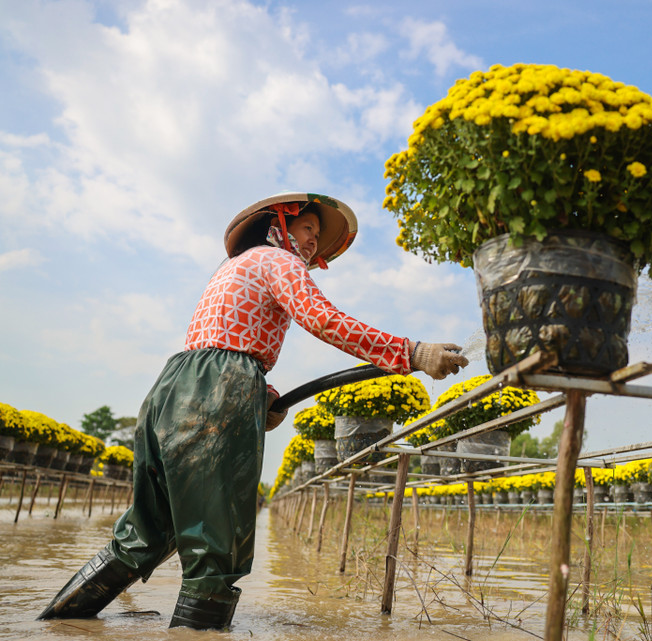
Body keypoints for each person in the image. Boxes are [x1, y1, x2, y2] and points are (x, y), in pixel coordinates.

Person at [37, 192, 467, 630]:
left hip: (173, 387)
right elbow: (323, 320)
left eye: (318, 237)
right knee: (218, 540)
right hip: (217, 391)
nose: (313, 242)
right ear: (278, 224)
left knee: (144, 533)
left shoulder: (231, 268)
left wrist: (260, 394)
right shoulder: (278, 260)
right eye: (307, 229)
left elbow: (222, 343)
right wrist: (411, 351)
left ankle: (55, 624)